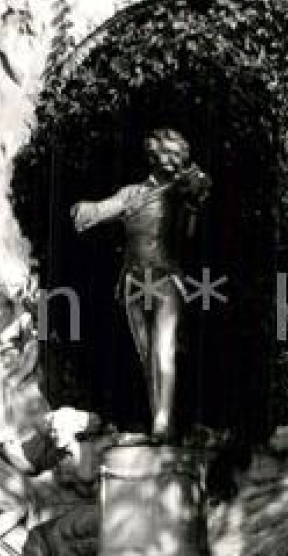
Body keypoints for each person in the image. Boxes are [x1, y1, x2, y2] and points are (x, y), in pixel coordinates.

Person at [70, 128, 211, 441]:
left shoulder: (181, 191)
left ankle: (163, 421)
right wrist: (87, 209)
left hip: (165, 277)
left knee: (165, 350)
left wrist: (193, 203)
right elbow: (105, 208)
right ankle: (158, 420)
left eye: (180, 156)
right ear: (153, 155)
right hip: (133, 281)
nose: (177, 161)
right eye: (170, 154)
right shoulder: (132, 193)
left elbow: (190, 230)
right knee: (147, 355)